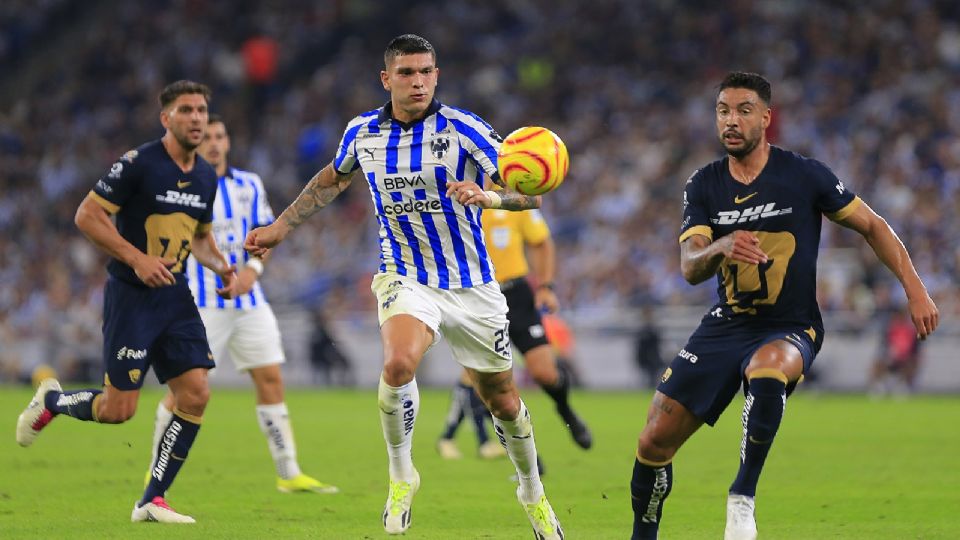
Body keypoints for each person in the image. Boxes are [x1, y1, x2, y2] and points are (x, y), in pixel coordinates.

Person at [245, 34, 563, 538]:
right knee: (397, 364)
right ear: (386, 78)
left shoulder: (465, 130)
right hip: (405, 275)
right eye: (407, 72)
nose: (418, 82)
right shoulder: (363, 133)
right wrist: (282, 226)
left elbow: (531, 198)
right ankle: (401, 476)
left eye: (426, 72)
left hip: (473, 285)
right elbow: (332, 179)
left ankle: (532, 491)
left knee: (501, 397)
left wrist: (490, 197)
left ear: (436, 74)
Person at [629, 72, 939, 540]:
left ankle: (742, 498)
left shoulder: (804, 175)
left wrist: (914, 288)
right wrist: (720, 245)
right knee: (654, 440)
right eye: (723, 111)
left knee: (769, 369)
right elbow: (690, 266)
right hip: (726, 325)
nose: (731, 121)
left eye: (743, 111)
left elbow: (873, 226)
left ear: (766, 119)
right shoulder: (704, 185)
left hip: (790, 325)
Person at [16, 80, 238, 523]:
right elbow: (87, 215)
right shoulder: (139, 163)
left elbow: (200, 238)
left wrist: (222, 267)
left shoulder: (204, 177)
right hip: (131, 296)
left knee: (195, 393)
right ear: (166, 118)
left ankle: (152, 499)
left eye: (201, 110)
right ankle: (53, 402)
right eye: (186, 110)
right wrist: (137, 259)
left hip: (174, 296)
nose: (196, 118)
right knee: (119, 410)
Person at [142, 114, 338, 495]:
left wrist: (250, 272)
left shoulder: (249, 184)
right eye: (207, 137)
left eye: (220, 135)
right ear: (196, 144)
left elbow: (267, 236)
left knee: (270, 379)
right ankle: (156, 472)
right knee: (185, 391)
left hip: (250, 301)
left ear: (227, 141)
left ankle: (288, 472)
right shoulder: (181, 187)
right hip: (201, 305)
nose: (214, 143)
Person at [437, 206, 592, 462]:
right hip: (478, 297)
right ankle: (527, 454)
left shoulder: (511, 198)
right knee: (494, 381)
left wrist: (545, 287)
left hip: (516, 294)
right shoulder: (453, 202)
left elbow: (541, 241)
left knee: (545, 372)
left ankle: (566, 411)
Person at [635, 305, 664, 389]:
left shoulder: (653, 329)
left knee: (652, 378)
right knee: (647, 378)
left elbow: (657, 343)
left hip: (653, 357)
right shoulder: (642, 329)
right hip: (644, 357)